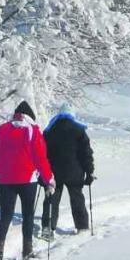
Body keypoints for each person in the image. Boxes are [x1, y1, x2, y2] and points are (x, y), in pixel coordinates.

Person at [0, 101, 55, 260]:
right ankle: (27, 251)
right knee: (28, 215)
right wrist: (49, 178)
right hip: (27, 180)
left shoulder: (0, 131)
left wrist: (0, 171)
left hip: (4, 182)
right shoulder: (32, 131)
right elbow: (40, 158)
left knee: (5, 216)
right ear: (30, 116)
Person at [40, 103, 94, 241]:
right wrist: (89, 172)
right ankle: (81, 226)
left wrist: (42, 173)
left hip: (54, 172)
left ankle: (48, 228)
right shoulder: (79, 130)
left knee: (52, 199)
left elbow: (42, 153)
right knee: (77, 198)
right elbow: (86, 153)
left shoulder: (50, 130)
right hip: (74, 171)